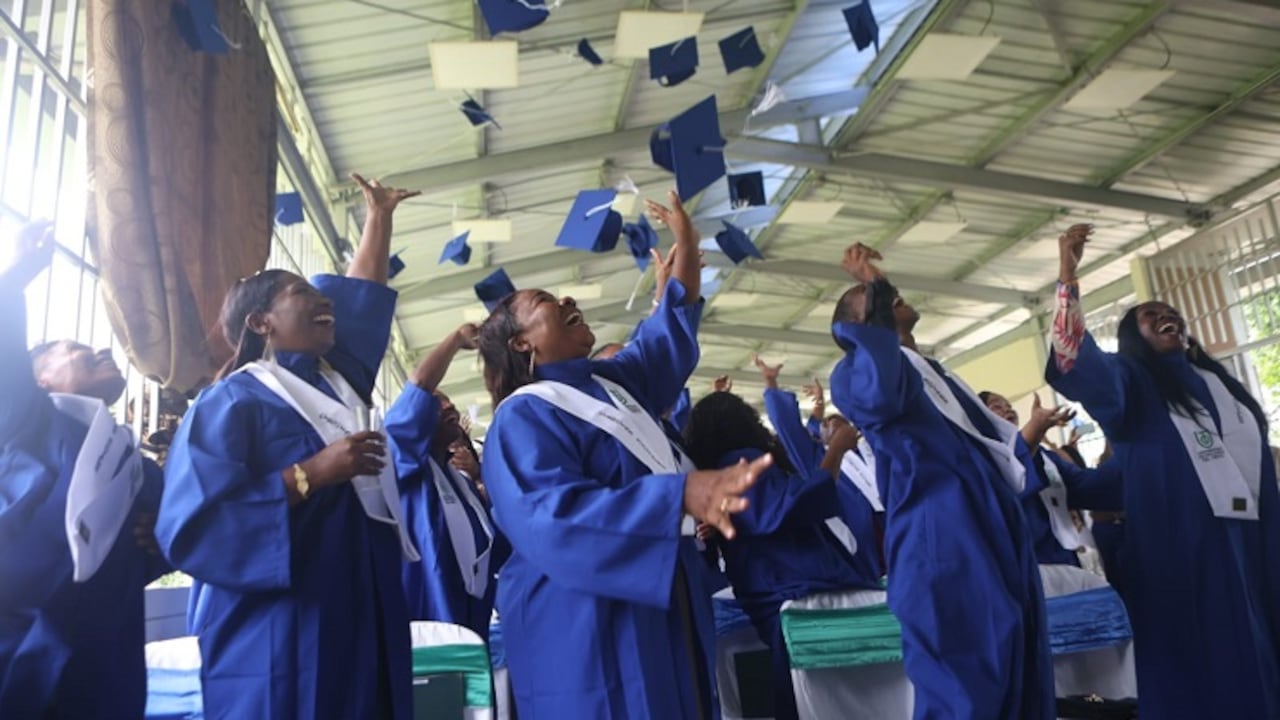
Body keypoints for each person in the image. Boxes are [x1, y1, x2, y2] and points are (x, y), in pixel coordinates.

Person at [476, 191, 769, 719]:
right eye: (546, 301)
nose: (567, 301)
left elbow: (664, 337)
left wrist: (686, 242)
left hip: (663, 595)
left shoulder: (612, 383)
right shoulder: (522, 418)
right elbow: (552, 519)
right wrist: (680, 495)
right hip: (590, 619)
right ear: (521, 345)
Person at [156, 174, 421, 720]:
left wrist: (379, 218)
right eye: (303, 293)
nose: (324, 300)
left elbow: (362, 300)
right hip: (281, 620)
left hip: (362, 602)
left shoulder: (338, 383)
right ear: (260, 322)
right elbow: (196, 524)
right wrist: (312, 474)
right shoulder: (230, 402)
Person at [1047, 223, 1280, 718]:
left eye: (1170, 312)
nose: (1166, 316)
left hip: (1254, 537)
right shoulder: (1132, 380)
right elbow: (1073, 362)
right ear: (1134, 338)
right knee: (1202, 649)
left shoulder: (1220, 384)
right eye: (1150, 317)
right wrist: (1068, 274)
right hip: (1184, 542)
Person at [828, 242, 1054, 719]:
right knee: (963, 682)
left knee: (1017, 670)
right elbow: (882, 398)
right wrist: (874, 294)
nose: (892, 296)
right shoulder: (851, 370)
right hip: (941, 533)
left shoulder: (937, 373)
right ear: (855, 326)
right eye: (878, 298)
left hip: (991, 526)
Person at [0, 221, 168, 718]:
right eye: (75, 348)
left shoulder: (134, 463)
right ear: (41, 377)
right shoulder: (27, 418)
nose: (101, 351)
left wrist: (162, 538)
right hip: (21, 632)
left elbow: (178, 529)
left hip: (105, 654)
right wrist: (17, 274)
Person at [684, 387, 879, 720]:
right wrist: (835, 452)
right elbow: (793, 505)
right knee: (821, 694)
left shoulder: (719, 472)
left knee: (802, 694)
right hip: (793, 590)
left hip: (776, 590)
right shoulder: (740, 463)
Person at [385, 322, 510, 641]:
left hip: (475, 619)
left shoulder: (464, 484)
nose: (449, 405)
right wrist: (455, 339)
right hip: (430, 622)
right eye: (436, 403)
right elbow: (418, 389)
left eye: (449, 400)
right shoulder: (405, 468)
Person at [756, 355, 885, 581]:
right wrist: (771, 384)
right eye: (825, 423)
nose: (832, 422)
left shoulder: (873, 449)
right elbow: (788, 427)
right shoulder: (818, 459)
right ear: (819, 436)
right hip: (863, 539)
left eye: (839, 420)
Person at [980, 390, 1123, 567]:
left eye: (1008, 405)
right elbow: (1011, 487)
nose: (1007, 409)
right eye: (996, 406)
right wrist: (1034, 431)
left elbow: (1089, 487)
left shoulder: (1046, 458)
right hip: (1031, 571)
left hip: (1068, 563)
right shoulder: (982, 462)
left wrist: (1120, 441)